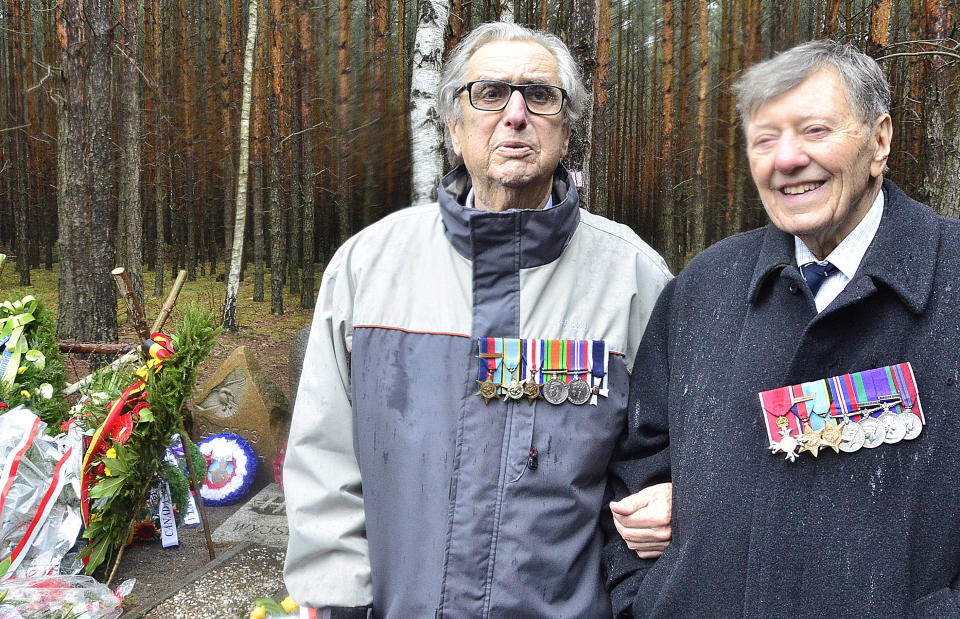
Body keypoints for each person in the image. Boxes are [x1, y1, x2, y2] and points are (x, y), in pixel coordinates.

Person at [283, 22, 673, 619]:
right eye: (489, 94)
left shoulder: (633, 278)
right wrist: (334, 596)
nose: (515, 114)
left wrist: (673, 499)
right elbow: (323, 455)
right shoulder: (368, 267)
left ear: (566, 130)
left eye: (540, 96)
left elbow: (669, 452)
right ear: (454, 127)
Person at [604, 39, 960, 618]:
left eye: (815, 130)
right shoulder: (705, 289)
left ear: (879, 140)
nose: (786, 159)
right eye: (765, 139)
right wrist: (647, 597)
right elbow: (638, 463)